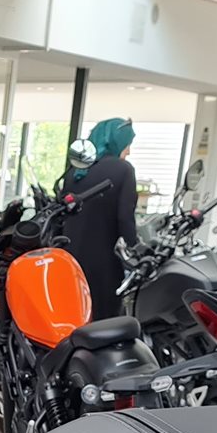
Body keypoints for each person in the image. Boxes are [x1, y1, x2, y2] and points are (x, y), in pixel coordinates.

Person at [62, 117, 141, 319]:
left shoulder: (75, 171)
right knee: (102, 318)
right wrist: (137, 250)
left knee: (74, 312)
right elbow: (125, 219)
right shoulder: (123, 170)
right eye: (127, 145)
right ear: (116, 141)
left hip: (69, 258)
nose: (129, 151)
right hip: (103, 262)